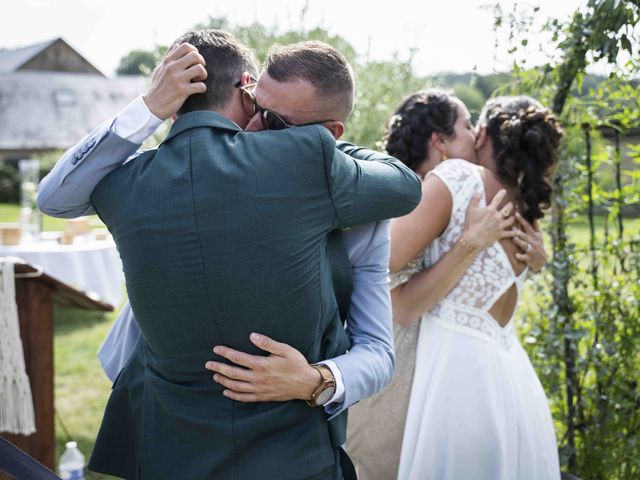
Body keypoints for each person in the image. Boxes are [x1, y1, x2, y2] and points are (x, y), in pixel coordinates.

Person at [39, 30, 421, 480]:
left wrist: (318, 380)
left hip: (256, 451)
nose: (258, 127)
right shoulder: (294, 161)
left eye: (276, 123)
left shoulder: (124, 183)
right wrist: (147, 109)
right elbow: (54, 197)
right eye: (257, 108)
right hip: (208, 445)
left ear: (327, 133)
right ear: (246, 89)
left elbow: (377, 348)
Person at [346, 90, 551, 480]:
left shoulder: (466, 188)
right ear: (440, 143)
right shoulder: (474, 192)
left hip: (450, 369)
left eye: (477, 126)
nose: (474, 136)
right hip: (441, 364)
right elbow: (391, 291)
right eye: (465, 126)